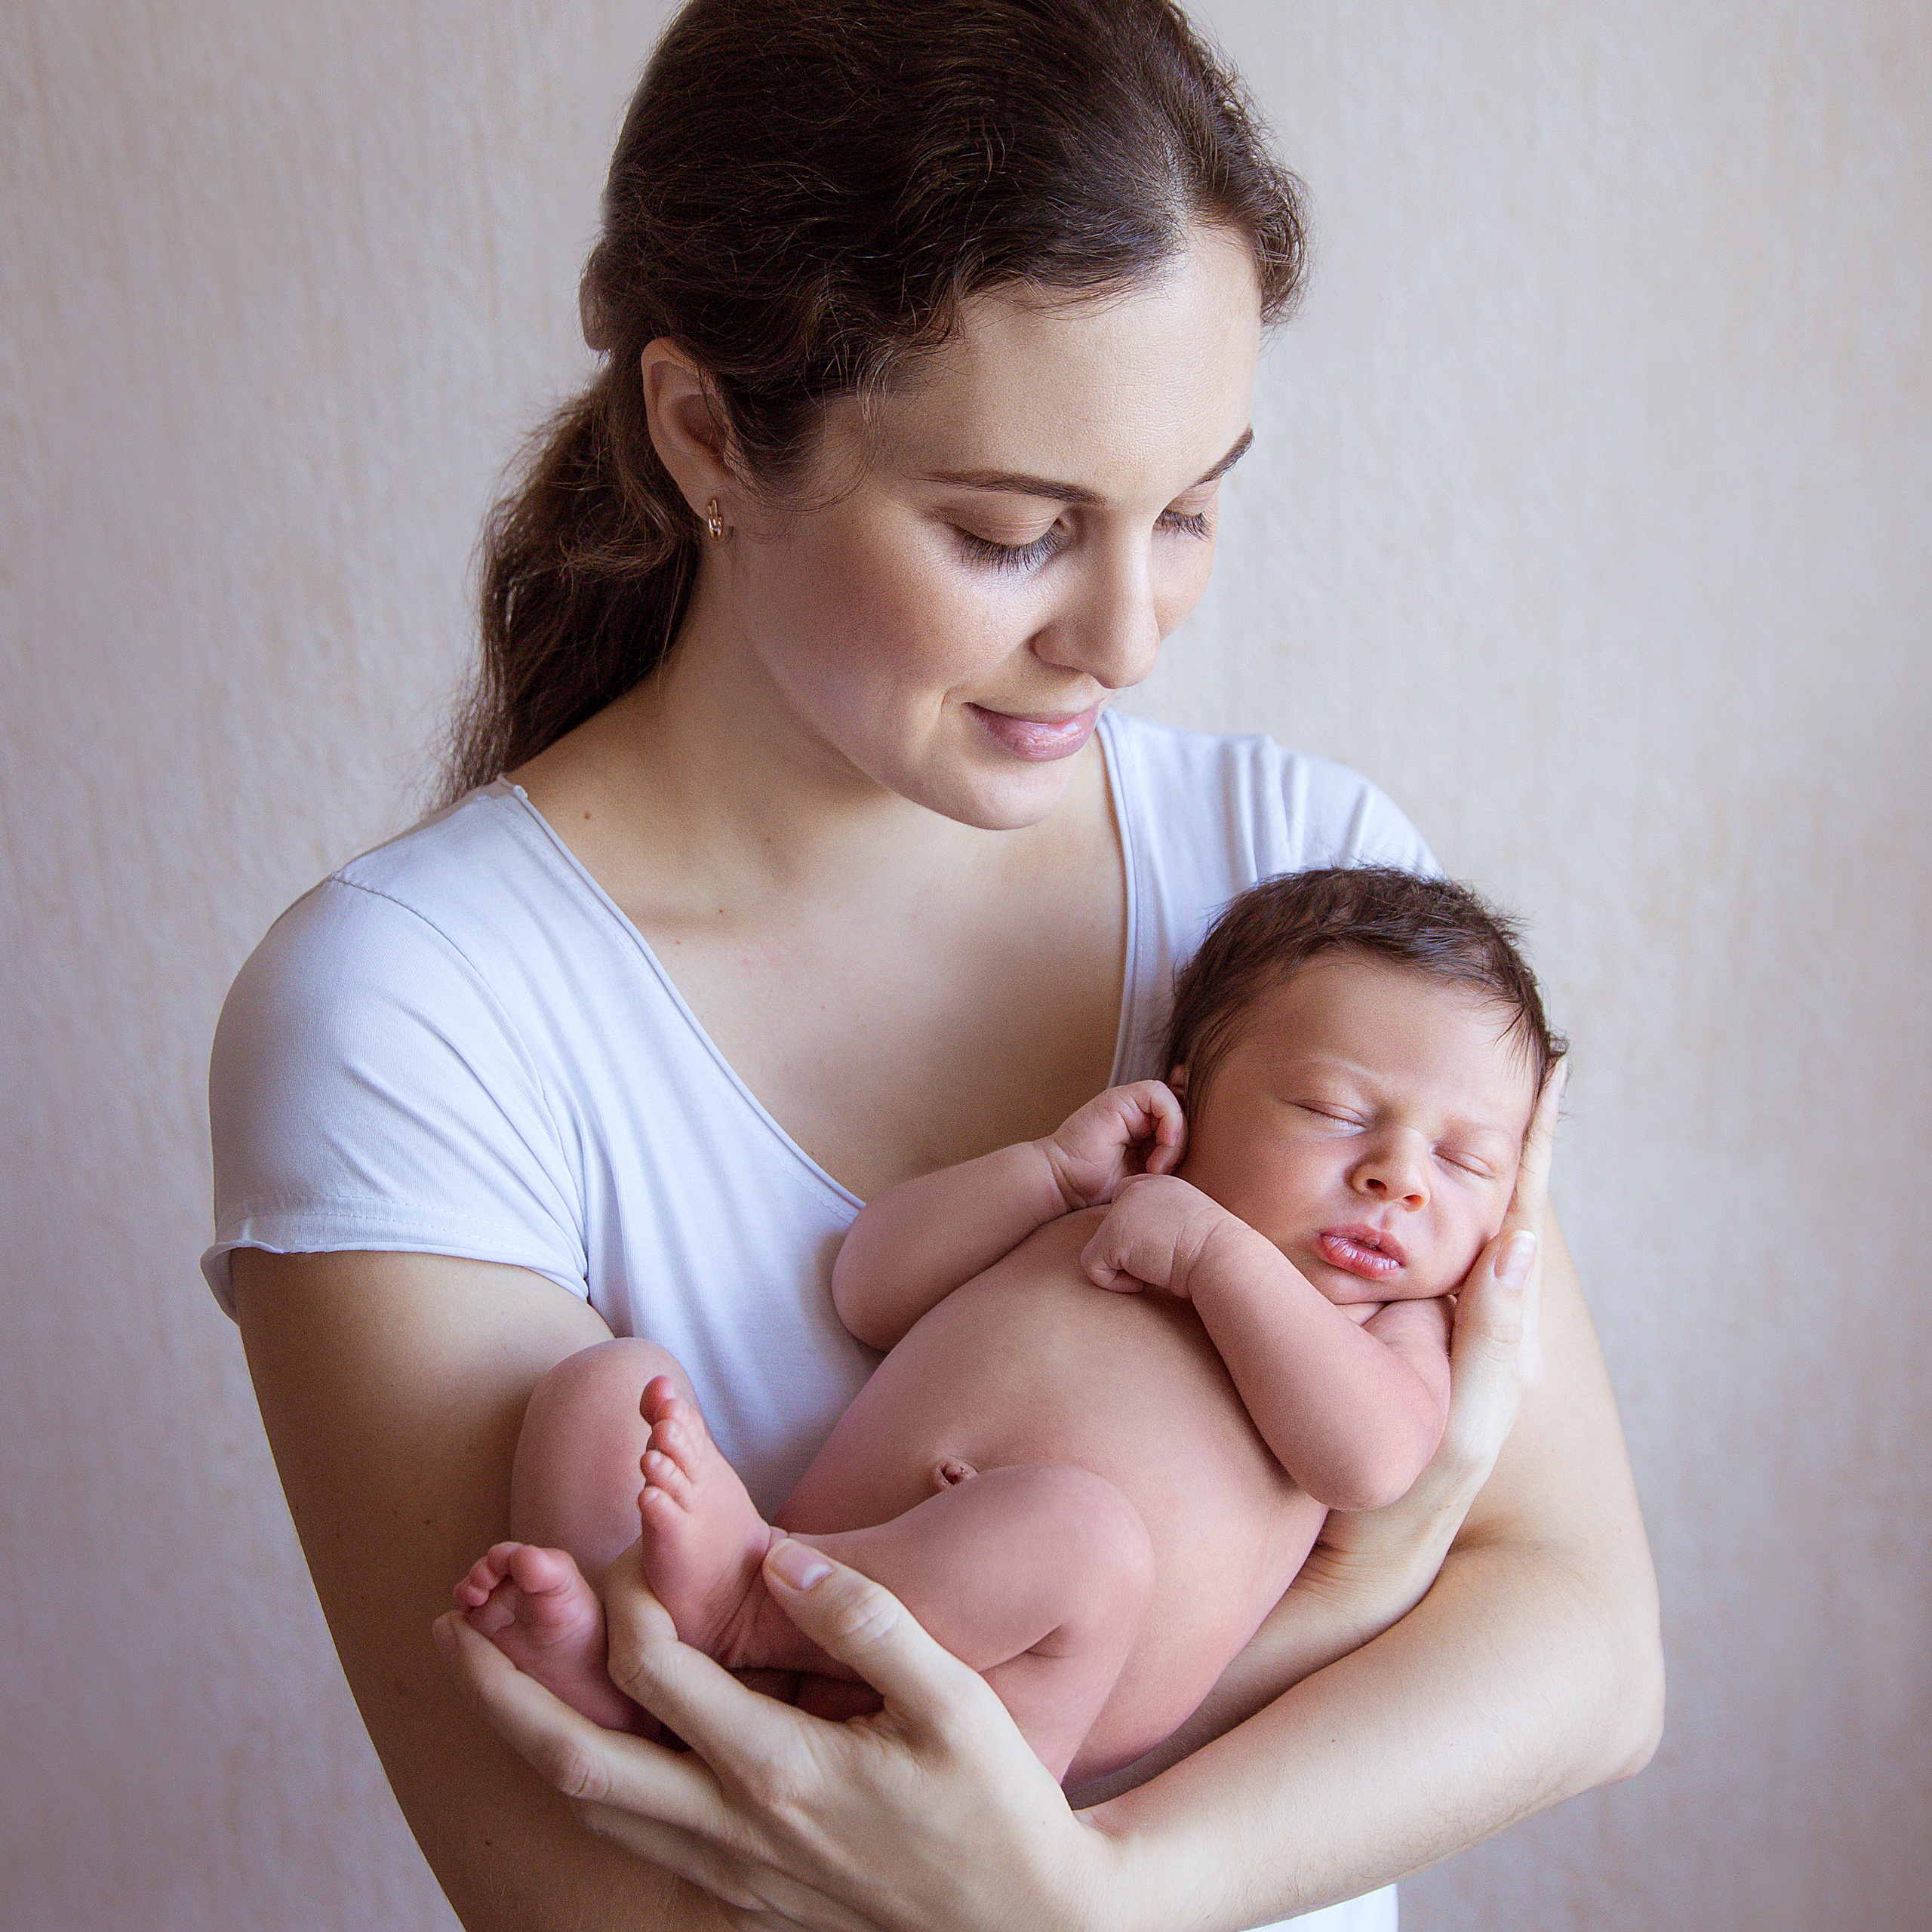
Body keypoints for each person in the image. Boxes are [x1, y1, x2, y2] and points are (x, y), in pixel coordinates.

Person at [209, 2, 1661, 1927]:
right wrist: (1351, 1607)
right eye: (1008, 532)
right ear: (704, 429)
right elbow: (583, 1888)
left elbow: (1580, 1643)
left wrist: (1092, 1890)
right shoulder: (413, 1014)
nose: (1128, 637)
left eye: (1193, 505)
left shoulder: (1309, 901)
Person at [454, 867, 1564, 1792]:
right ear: (1191, 1098)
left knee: (1080, 1537)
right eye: (1336, 1112)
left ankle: (756, 1603)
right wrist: (1045, 1173)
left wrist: (1214, 1257)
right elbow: (868, 1288)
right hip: (814, 1566)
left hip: (1005, 1694)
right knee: (608, 1386)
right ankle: (614, 1672)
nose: (1399, 1179)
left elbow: (1371, 1465)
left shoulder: (1387, 1327)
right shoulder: (1100, 1205)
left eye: (1469, 1161)